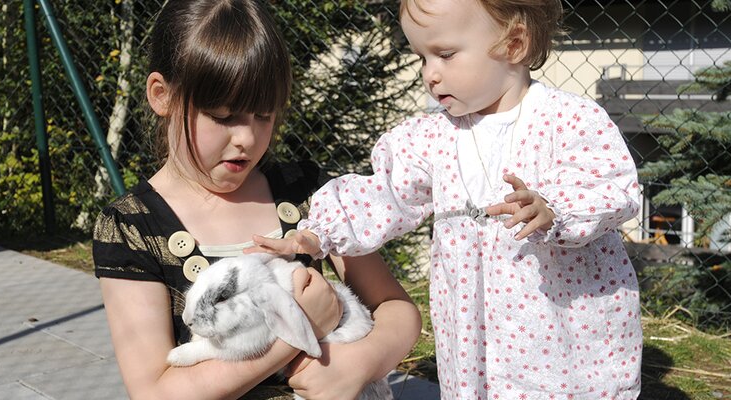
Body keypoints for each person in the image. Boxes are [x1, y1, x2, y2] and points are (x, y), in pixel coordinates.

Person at [247, 0, 643, 398]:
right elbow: (383, 192)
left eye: (445, 54)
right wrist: (318, 232)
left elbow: (607, 180)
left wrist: (554, 207)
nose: (430, 75)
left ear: (515, 44)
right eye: (421, 57)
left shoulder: (568, 119)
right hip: (473, 338)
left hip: (562, 331)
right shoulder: (431, 138)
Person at [91, 1, 422, 399]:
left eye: (264, 116)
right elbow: (156, 393)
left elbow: (397, 310)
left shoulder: (307, 194)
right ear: (162, 96)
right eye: (223, 116)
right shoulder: (133, 228)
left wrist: (361, 361)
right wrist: (300, 331)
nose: (247, 138)